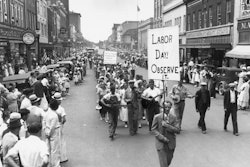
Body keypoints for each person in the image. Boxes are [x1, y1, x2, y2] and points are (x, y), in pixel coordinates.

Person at [152, 101, 180, 167]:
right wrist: (162, 138)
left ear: (171, 108)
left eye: (169, 107)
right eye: (165, 107)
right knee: (163, 165)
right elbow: (153, 129)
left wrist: (167, 126)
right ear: (162, 107)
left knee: (168, 162)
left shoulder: (174, 117)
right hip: (161, 144)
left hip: (171, 143)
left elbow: (178, 130)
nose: (167, 109)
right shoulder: (157, 117)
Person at [44, 99, 60, 167]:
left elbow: (44, 122)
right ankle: (56, 164)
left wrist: (46, 132)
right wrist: (50, 133)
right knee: (55, 149)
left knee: (48, 148)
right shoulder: (54, 115)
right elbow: (53, 126)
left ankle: (49, 163)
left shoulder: (47, 113)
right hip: (54, 132)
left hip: (47, 130)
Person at [53, 93, 68, 163]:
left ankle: (55, 158)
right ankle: (62, 157)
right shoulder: (61, 109)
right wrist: (61, 123)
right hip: (59, 126)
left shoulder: (50, 108)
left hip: (53, 127)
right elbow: (64, 119)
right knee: (61, 141)